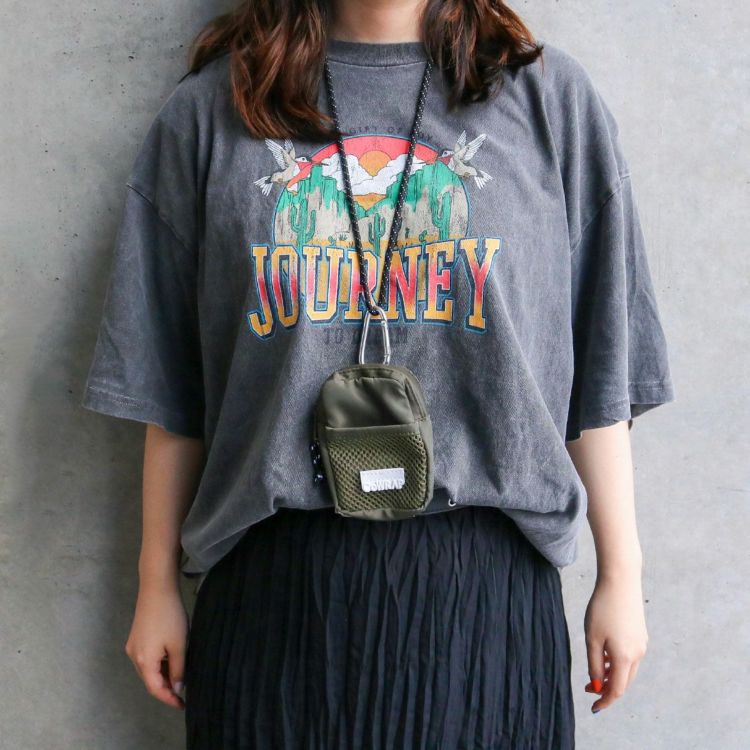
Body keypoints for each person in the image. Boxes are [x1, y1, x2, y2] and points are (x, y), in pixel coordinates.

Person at [80, 0, 676, 747]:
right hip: (275, 593)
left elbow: (601, 366)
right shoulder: (212, 111)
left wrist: (621, 575)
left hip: (482, 595)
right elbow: (170, 387)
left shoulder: (550, 101)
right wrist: (155, 583)